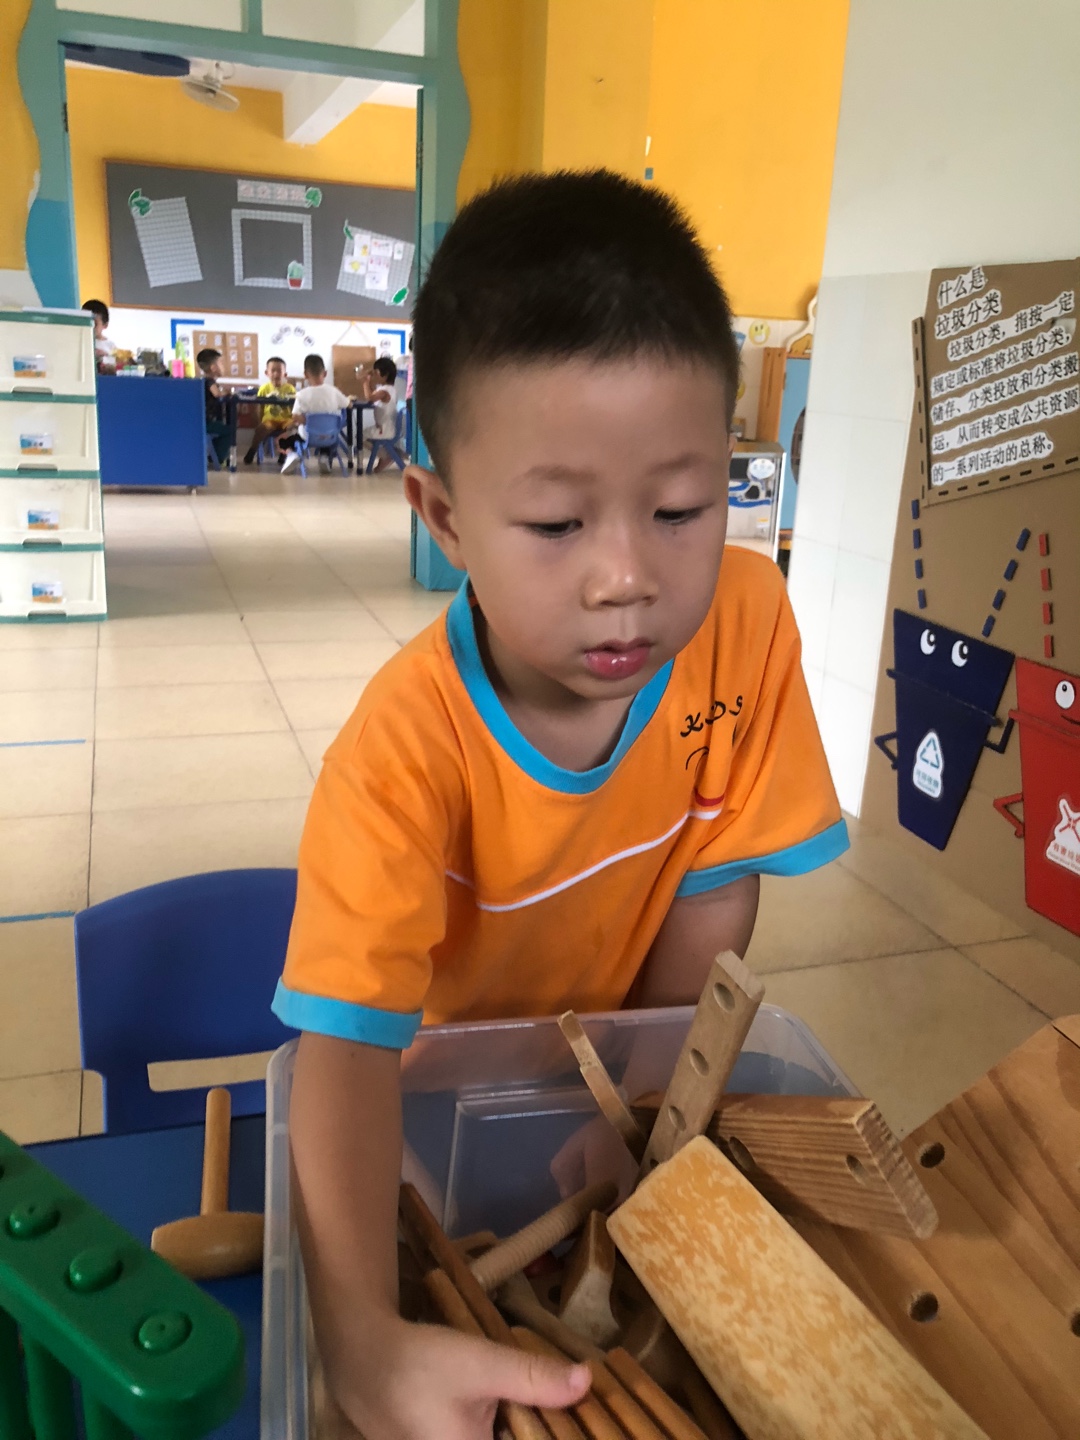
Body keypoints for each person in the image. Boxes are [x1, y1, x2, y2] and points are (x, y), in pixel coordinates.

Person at [275, 170, 847, 1438]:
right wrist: (363, 1345)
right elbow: (346, 1052)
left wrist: (637, 1108)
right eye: (553, 523)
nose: (627, 578)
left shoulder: (746, 623)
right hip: (429, 1117)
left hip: (605, 1080)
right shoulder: (402, 753)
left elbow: (711, 892)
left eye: (682, 508)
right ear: (444, 517)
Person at [280, 353, 351, 474]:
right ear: (325, 373)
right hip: (330, 437)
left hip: (308, 437)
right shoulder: (333, 391)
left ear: (305, 375)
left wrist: (307, 421)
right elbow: (348, 405)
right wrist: (347, 400)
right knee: (326, 438)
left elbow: (295, 416)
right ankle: (324, 456)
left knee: (284, 440)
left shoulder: (301, 394)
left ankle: (294, 455)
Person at [244, 356, 296, 466]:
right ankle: (253, 449)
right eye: (273, 371)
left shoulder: (290, 389)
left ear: (285, 374)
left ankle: (283, 453)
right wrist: (259, 422)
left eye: (279, 371)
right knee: (262, 428)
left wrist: (294, 421)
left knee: (291, 429)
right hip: (270, 419)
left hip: (286, 419)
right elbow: (259, 408)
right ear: (267, 373)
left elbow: (294, 407)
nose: (276, 374)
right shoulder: (264, 389)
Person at [361, 354, 399, 468]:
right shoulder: (389, 389)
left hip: (384, 430)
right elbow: (373, 394)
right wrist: (369, 383)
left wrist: (365, 382)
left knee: (360, 436)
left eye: (376, 373)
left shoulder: (385, 391)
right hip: (385, 427)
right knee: (364, 434)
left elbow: (369, 397)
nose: (374, 376)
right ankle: (385, 455)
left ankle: (385, 456)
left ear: (385, 375)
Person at [197, 347, 231, 467]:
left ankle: (214, 455)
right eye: (221, 363)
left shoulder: (202, 380)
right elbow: (217, 394)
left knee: (220, 426)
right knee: (229, 431)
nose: (223, 366)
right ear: (213, 367)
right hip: (206, 423)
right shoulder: (209, 381)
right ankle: (218, 457)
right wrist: (226, 393)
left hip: (203, 421)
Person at [82, 299, 116, 372]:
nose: (90, 327)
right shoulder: (80, 341)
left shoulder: (110, 345)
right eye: (85, 322)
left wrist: (105, 355)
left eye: (95, 324)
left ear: (105, 325)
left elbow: (114, 366)